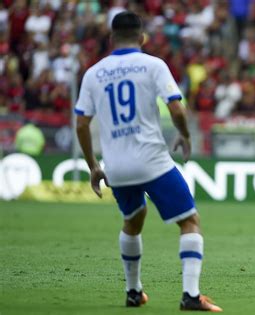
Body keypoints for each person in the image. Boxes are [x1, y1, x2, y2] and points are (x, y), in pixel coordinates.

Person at [75, 11, 222, 311]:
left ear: (111, 38)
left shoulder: (93, 73)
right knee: (190, 221)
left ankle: (133, 292)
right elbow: (177, 110)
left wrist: (93, 165)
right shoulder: (153, 65)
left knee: (133, 220)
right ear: (142, 37)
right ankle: (191, 296)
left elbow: (81, 124)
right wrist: (184, 135)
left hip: (116, 166)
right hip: (152, 160)